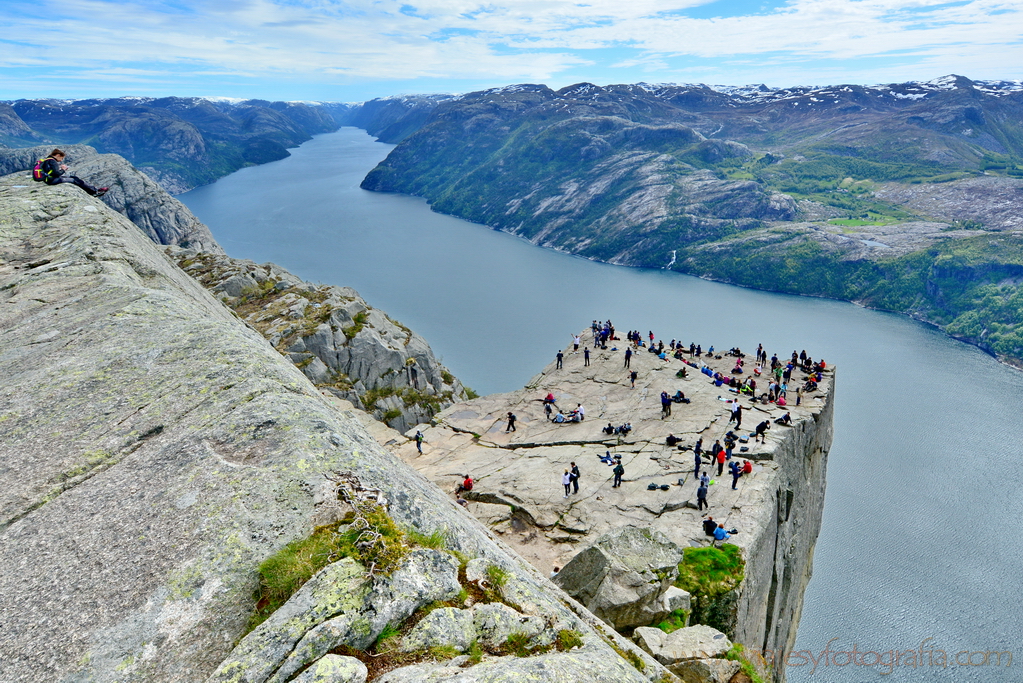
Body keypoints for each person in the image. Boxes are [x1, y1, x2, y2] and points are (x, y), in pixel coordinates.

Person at [36, 149, 108, 197]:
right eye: (61, 158)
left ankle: (93, 190)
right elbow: (57, 173)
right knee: (75, 180)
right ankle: (95, 191)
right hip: (53, 180)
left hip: (48, 179)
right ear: (58, 155)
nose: (61, 160)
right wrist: (63, 169)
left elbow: (51, 171)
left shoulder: (47, 160)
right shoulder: (52, 161)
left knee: (74, 177)